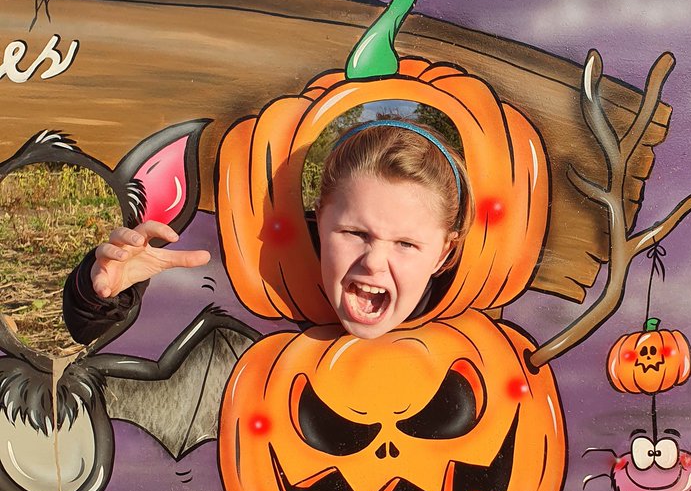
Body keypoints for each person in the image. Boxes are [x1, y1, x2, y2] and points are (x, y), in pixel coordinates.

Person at [63, 120, 472, 344]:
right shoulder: (250, 266)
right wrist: (102, 297)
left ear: (442, 253)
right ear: (316, 220)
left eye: (405, 244)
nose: (374, 262)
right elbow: (86, 334)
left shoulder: (464, 323)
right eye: (355, 233)